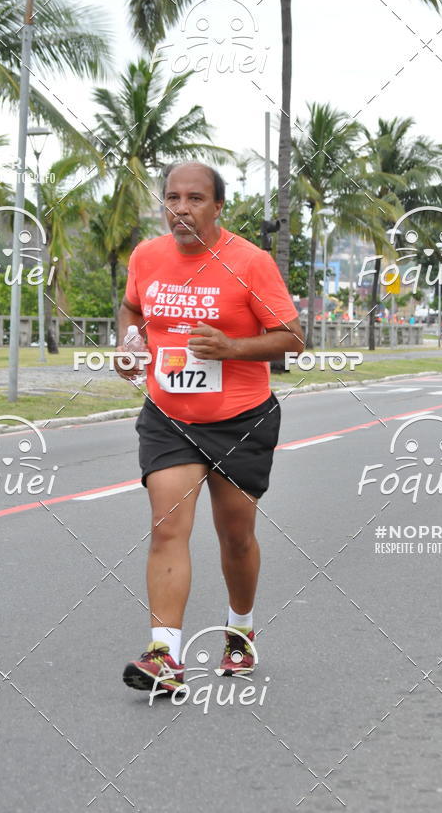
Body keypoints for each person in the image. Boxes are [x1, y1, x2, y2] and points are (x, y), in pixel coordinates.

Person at [116, 161, 304, 694]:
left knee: (236, 535)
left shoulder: (251, 261)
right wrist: (131, 344)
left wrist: (233, 348)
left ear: (218, 206)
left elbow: (292, 336)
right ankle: (165, 656)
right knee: (167, 524)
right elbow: (132, 309)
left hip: (240, 419)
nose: (181, 209)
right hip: (169, 415)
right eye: (172, 198)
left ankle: (240, 629)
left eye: (195, 198)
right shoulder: (147, 257)